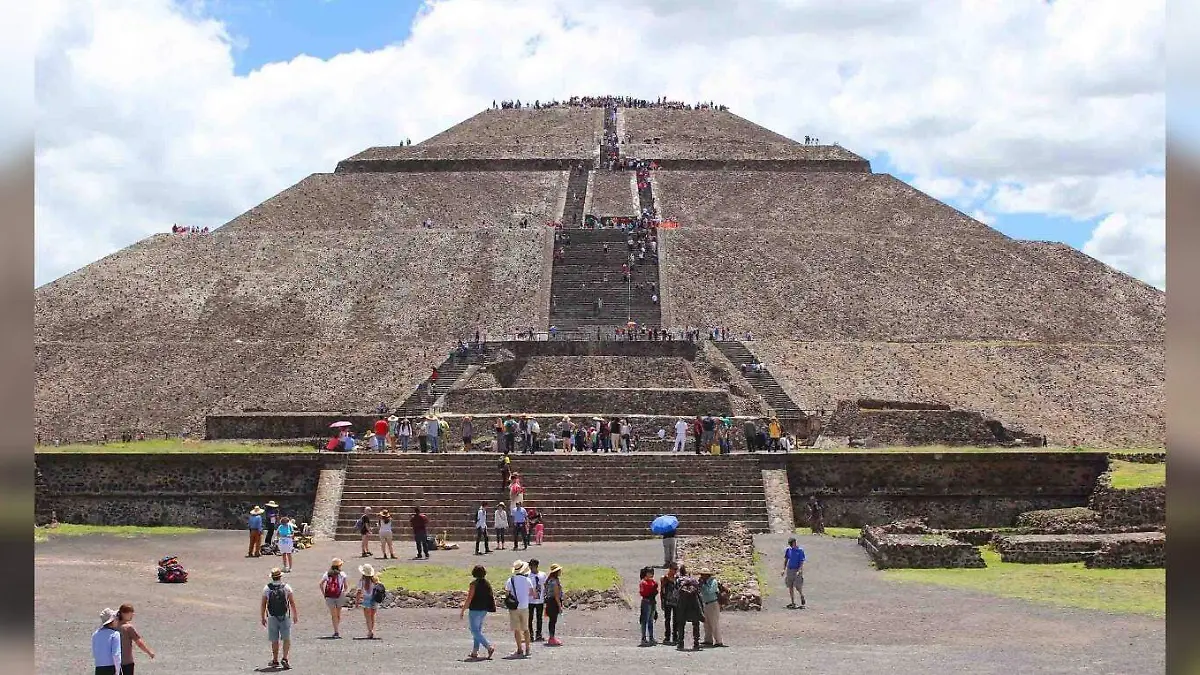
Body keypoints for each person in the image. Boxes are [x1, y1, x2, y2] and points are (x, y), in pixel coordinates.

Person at [261, 567, 298, 670]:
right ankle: (285, 658)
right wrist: (295, 615)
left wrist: (263, 617)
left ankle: (275, 660)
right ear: (280, 577)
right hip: (284, 615)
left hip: (272, 616)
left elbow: (263, 604)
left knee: (274, 639)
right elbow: (292, 602)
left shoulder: (267, 588)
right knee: (286, 638)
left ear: (272, 577)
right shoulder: (286, 587)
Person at [460, 565, 497, 660]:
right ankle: (475, 651)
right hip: (484, 609)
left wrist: (463, 609)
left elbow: (469, 598)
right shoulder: (487, 584)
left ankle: (488, 647)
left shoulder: (473, 584)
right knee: (478, 631)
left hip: (475, 609)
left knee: (474, 631)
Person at [504, 560, 535, 658]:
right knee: (526, 629)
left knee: (516, 630)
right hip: (525, 606)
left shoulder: (510, 580)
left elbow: (507, 593)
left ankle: (519, 649)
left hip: (514, 607)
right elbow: (532, 593)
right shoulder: (527, 580)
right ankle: (528, 648)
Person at [116, 603, 155, 673]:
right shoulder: (128, 628)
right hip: (126, 662)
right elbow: (139, 643)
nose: (132, 615)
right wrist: (149, 652)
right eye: (131, 613)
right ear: (123, 614)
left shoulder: (113, 626)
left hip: (113, 662)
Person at [673, 568, 703, 651]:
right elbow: (699, 592)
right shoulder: (693, 580)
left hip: (682, 604)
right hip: (693, 603)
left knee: (681, 623)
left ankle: (680, 643)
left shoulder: (678, 580)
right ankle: (696, 643)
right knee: (695, 623)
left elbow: (675, 593)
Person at [698, 568, 726, 648]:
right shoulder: (703, 583)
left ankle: (718, 641)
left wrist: (703, 585)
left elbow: (709, 591)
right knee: (706, 623)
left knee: (714, 623)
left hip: (713, 603)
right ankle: (708, 640)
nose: (701, 576)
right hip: (706, 604)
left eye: (703, 575)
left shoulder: (713, 582)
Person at [319, 558, 347, 638]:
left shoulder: (327, 574)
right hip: (339, 595)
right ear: (339, 565)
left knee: (333, 615)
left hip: (329, 596)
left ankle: (336, 631)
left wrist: (324, 594)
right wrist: (343, 592)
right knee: (338, 614)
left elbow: (321, 584)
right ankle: (337, 629)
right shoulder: (342, 574)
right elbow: (346, 586)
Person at [355, 563, 382, 639]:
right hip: (374, 599)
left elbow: (359, 592)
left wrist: (357, 602)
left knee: (368, 618)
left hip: (366, 600)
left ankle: (370, 631)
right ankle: (371, 630)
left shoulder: (362, 581)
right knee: (372, 616)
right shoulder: (375, 580)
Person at [93, 608, 122, 675]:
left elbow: (95, 653)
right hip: (111, 668)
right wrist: (117, 672)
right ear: (112, 621)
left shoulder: (95, 634)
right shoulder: (115, 634)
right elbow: (116, 655)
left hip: (99, 668)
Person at [783, 536, 807, 608]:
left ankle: (801, 595)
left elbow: (801, 561)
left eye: (791, 543)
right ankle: (793, 602)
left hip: (797, 570)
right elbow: (786, 560)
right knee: (790, 586)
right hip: (790, 569)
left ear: (794, 543)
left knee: (798, 586)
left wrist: (799, 570)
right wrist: (783, 569)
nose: (791, 545)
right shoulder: (788, 550)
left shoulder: (800, 551)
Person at [527, 559, 547, 642]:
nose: (530, 567)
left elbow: (545, 585)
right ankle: (530, 635)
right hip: (529, 600)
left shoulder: (543, 575)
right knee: (529, 618)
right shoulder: (527, 575)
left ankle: (538, 634)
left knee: (539, 618)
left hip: (540, 600)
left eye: (531, 565)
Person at [659, 562, 680, 645]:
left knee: (676, 619)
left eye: (676, 569)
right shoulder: (664, 578)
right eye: (674, 569)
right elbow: (662, 590)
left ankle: (675, 636)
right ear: (670, 569)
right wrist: (662, 601)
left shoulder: (678, 578)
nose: (675, 571)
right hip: (667, 601)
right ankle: (667, 636)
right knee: (667, 619)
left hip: (676, 601)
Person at [638, 566, 659, 646]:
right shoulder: (643, 582)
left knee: (651, 620)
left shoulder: (653, 582)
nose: (651, 574)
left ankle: (651, 637)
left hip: (652, 601)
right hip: (646, 601)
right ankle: (643, 638)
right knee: (644, 620)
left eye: (652, 573)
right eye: (649, 573)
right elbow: (643, 592)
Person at [544, 564, 565, 646]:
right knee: (553, 621)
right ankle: (552, 638)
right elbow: (556, 595)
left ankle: (551, 637)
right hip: (553, 602)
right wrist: (560, 606)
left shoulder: (549, 580)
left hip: (549, 602)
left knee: (552, 620)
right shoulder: (555, 582)